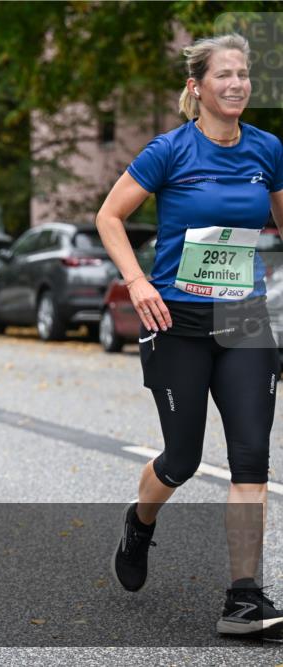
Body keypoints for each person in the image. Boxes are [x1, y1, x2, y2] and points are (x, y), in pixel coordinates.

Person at [96, 33, 283, 638]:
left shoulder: (268, 151)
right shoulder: (169, 151)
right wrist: (136, 282)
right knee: (181, 457)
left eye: (244, 74)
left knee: (251, 459)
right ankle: (140, 522)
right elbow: (109, 216)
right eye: (223, 75)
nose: (236, 84)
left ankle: (243, 601)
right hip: (175, 318)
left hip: (244, 317)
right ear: (197, 87)